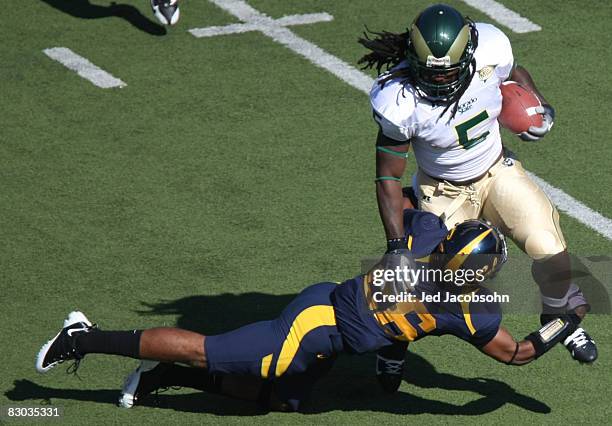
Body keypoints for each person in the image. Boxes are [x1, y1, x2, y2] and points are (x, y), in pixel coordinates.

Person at [36, 214, 582, 412]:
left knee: (280, 402)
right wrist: (565, 323)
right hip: (315, 324)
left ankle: (163, 376)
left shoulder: (427, 235)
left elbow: (413, 207)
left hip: (331, 326)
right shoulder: (471, 310)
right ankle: (84, 337)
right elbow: (517, 355)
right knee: (212, 349)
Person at [358, 3, 597, 387]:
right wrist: (397, 245)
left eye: (450, 71)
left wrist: (536, 103)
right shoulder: (398, 100)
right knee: (422, 283)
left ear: (468, 54)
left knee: (550, 249)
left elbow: (512, 73)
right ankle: (392, 344)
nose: (440, 83)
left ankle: (559, 318)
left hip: (496, 171)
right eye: (430, 74)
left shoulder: (491, 48)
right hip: (441, 190)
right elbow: (387, 177)